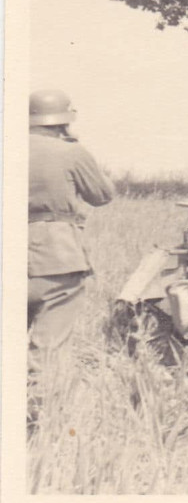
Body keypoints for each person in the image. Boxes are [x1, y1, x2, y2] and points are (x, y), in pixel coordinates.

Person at [28, 88, 115, 369]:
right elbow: (102, 195)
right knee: (49, 348)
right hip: (56, 258)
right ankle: (39, 408)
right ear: (66, 119)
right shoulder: (70, 151)